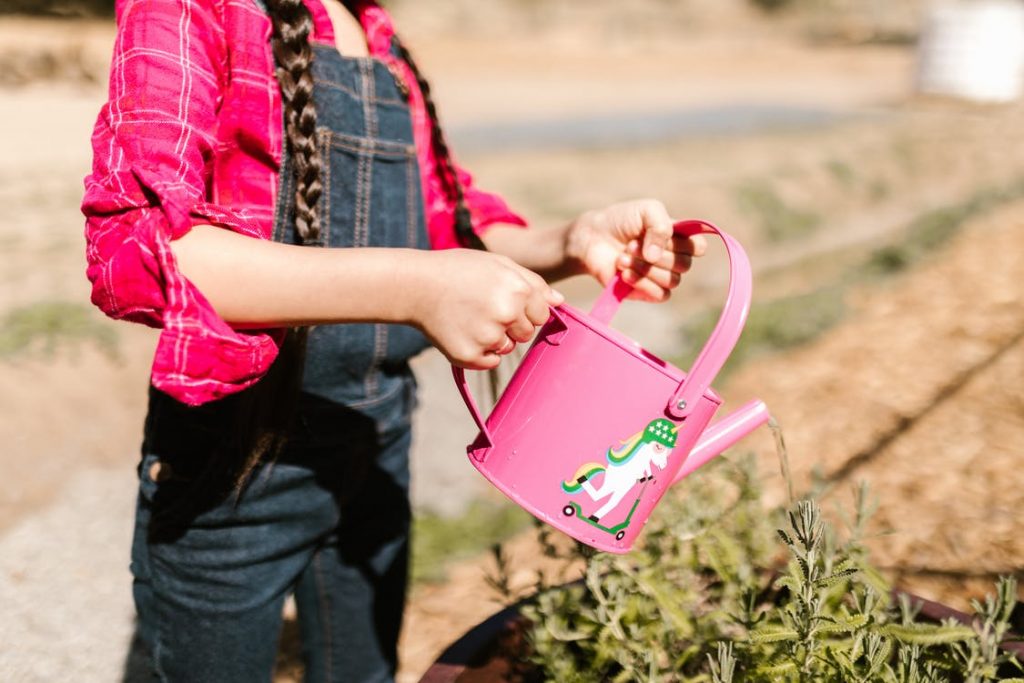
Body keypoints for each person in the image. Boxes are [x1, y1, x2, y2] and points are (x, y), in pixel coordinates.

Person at [81, 1, 705, 681]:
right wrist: (415, 289)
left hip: (375, 454)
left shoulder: (378, 35)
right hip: (232, 477)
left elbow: (451, 225)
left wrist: (572, 241)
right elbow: (141, 251)